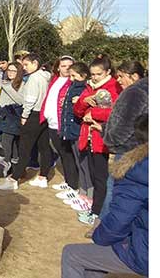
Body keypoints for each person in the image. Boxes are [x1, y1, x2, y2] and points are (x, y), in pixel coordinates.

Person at [60, 116, 147, 278]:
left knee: (71, 254)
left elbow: (120, 219)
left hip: (145, 254)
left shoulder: (139, 171)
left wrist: (99, 236)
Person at [97, 61, 148, 231]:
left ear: (134, 76)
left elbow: (126, 123)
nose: (118, 80)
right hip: (139, 147)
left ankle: (106, 226)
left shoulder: (136, 92)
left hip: (129, 150)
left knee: (116, 190)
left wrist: (110, 139)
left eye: (121, 76)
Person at [73, 56, 122, 226]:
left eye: (98, 74)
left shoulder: (114, 87)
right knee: (94, 175)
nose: (94, 77)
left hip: (102, 138)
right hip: (88, 138)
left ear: (108, 72)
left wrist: (92, 113)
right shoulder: (89, 87)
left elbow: (115, 111)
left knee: (101, 178)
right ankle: (95, 207)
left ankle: (98, 212)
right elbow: (78, 111)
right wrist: (83, 101)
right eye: (92, 74)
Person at [0, 53, 51, 190]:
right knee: (44, 146)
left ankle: (14, 179)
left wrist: (24, 116)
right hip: (43, 114)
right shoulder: (46, 76)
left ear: (35, 63)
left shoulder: (34, 78)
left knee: (24, 148)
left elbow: (30, 100)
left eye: (26, 65)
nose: (25, 68)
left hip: (33, 114)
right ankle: (43, 176)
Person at [40, 56, 79, 193]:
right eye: (63, 66)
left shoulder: (73, 83)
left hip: (63, 124)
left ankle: (73, 185)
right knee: (62, 153)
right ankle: (69, 181)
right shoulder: (54, 80)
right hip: (52, 122)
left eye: (70, 65)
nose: (67, 68)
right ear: (58, 67)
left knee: (67, 154)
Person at [57, 62, 93, 212]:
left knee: (84, 163)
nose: (71, 78)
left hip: (79, 131)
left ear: (83, 76)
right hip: (71, 130)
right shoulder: (73, 87)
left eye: (74, 75)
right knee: (79, 161)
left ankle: (88, 194)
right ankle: (82, 191)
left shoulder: (84, 89)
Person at [0, 62, 25, 177]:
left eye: (13, 71)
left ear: (19, 72)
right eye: (9, 70)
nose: (10, 73)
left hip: (13, 118)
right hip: (2, 118)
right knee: (12, 145)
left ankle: (1, 170)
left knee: (6, 145)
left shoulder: (22, 85)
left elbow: (21, 101)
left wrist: (8, 88)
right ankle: (15, 168)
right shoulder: (5, 83)